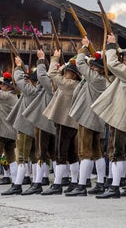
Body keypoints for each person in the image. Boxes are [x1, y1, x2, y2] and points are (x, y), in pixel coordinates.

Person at [91, 36, 126, 199]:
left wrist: (111, 46)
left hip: (122, 116)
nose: (124, 61)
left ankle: (114, 186)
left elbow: (113, 64)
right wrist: (116, 48)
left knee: (116, 151)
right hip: (122, 116)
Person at [66, 40, 109, 197]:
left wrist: (83, 49)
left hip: (88, 118)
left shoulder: (97, 79)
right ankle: (100, 183)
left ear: (101, 69)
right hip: (94, 119)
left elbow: (80, 64)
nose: (92, 67)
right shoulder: (97, 79)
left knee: (85, 152)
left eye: (95, 66)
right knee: (97, 153)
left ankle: (82, 185)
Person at [41, 53, 81, 195]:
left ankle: (57, 184)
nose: (65, 74)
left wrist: (55, 59)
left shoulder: (70, 84)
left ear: (74, 75)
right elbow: (55, 81)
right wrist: (63, 68)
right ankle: (74, 182)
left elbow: (52, 73)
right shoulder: (71, 84)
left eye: (67, 72)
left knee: (60, 154)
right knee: (71, 154)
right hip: (68, 122)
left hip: (65, 122)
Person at [21, 51, 57, 195]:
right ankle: (58, 181)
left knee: (40, 154)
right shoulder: (48, 86)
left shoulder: (51, 85)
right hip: (49, 122)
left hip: (44, 123)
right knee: (53, 154)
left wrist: (41, 60)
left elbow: (42, 76)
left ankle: (37, 183)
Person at [3, 58, 39, 195]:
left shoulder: (32, 90)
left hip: (25, 127)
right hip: (32, 127)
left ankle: (17, 184)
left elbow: (18, 80)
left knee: (21, 158)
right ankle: (37, 183)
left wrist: (18, 67)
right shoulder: (36, 90)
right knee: (34, 157)